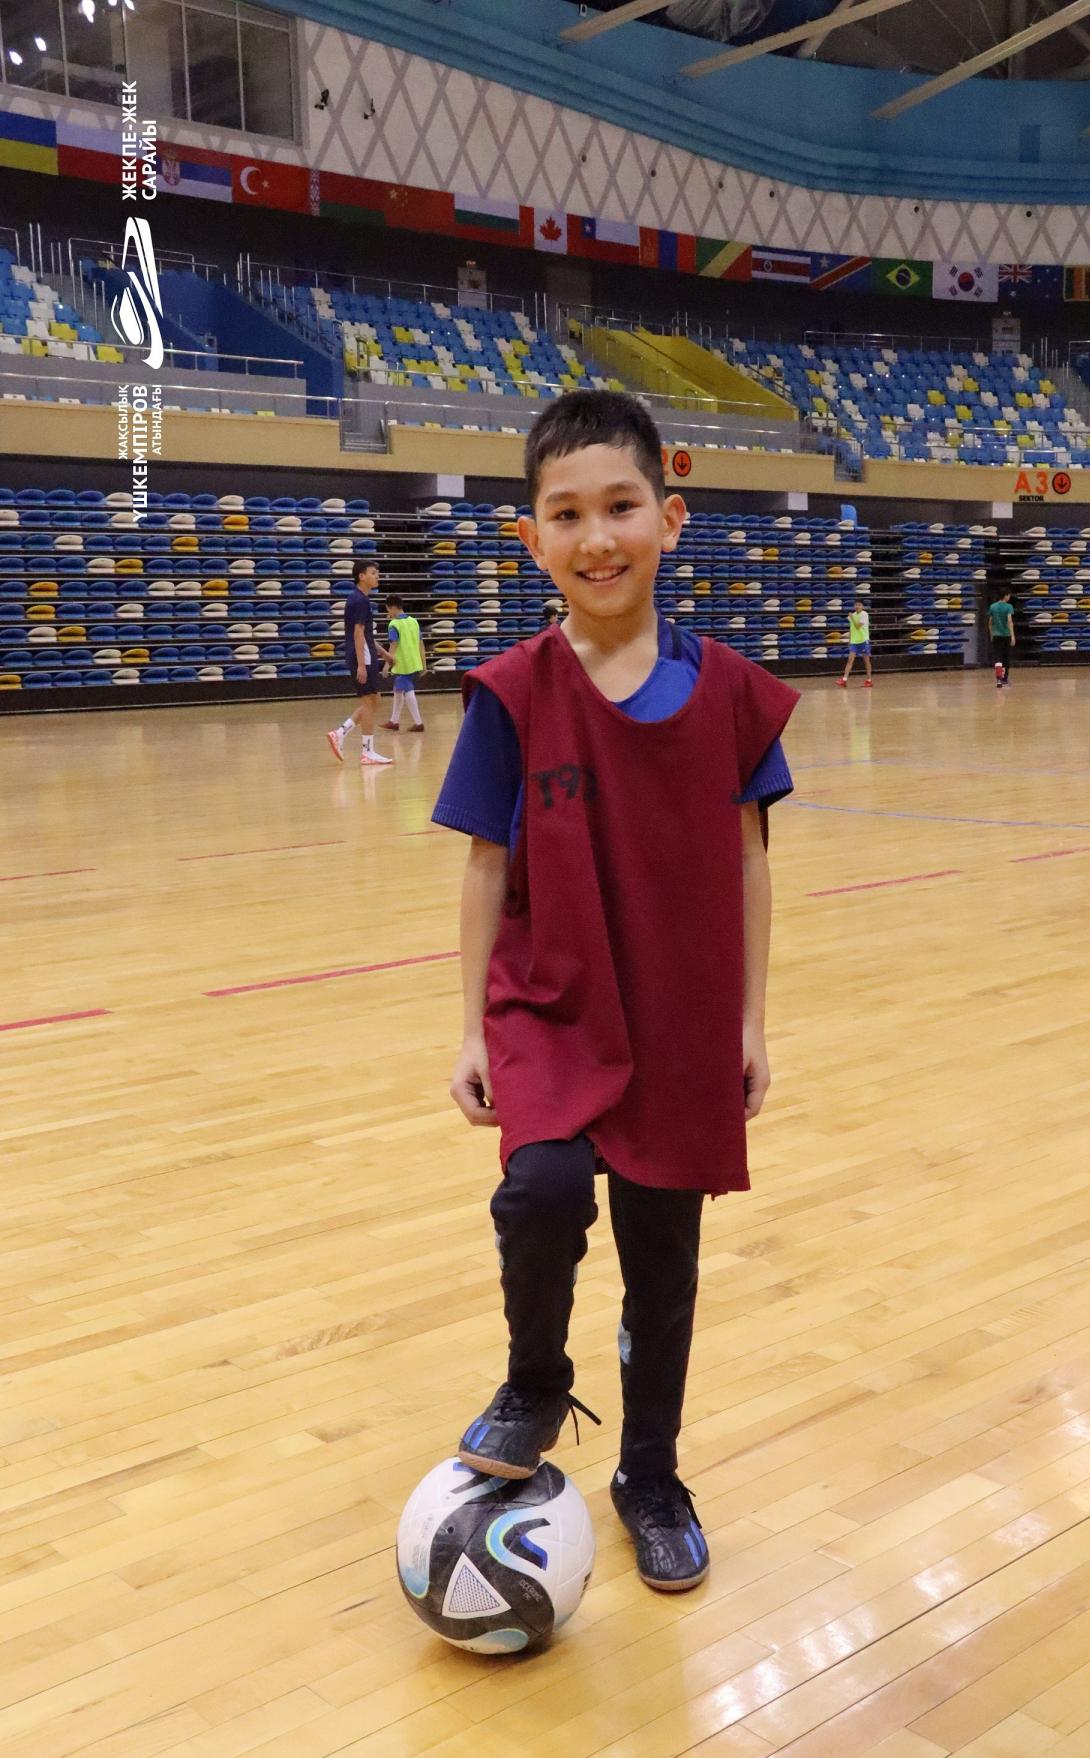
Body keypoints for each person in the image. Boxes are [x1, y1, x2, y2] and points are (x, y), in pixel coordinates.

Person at [431, 391, 798, 1593]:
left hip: (678, 1014)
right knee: (540, 1189)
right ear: (530, 537)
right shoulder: (511, 693)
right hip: (549, 1002)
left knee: (663, 1256)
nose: (597, 538)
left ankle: (650, 1474)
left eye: (621, 507)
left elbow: (749, 860)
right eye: (567, 514)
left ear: (669, 519)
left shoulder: (730, 693)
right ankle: (537, 1381)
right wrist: (472, 1028)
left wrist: (747, 1021)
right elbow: (485, 865)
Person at [327, 558, 391, 764]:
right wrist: (362, 665)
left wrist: (384, 653)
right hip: (362, 657)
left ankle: (340, 733)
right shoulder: (360, 600)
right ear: (361, 576)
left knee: (374, 699)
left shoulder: (357, 598)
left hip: (365, 653)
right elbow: (358, 634)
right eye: (373, 573)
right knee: (369, 702)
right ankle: (367, 751)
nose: (377, 576)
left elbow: (366, 636)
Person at [381, 596, 426, 733]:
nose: (388, 613)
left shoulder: (394, 624)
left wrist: (387, 665)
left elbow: (393, 645)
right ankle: (394, 721)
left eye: (388, 610)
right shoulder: (414, 621)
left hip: (403, 663)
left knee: (407, 689)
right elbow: (421, 643)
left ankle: (418, 723)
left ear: (393, 607)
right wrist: (424, 664)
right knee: (398, 689)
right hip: (414, 661)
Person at [837, 598, 872, 688]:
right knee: (850, 660)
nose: (857, 606)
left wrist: (852, 618)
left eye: (859, 605)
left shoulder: (864, 614)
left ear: (862, 606)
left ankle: (869, 680)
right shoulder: (852, 615)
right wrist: (850, 639)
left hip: (863, 641)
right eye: (856, 605)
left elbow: (857, 626)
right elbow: (852, 628)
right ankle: (844, 680)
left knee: (866, 661)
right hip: (854, 642)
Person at [988, 588, 1016, 688]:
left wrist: (991, 634)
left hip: (996, 635)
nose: (1009, 597)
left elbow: (990, 623)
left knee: (998, 658)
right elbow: (1009, 621)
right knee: (1006, 658)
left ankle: (998, 679)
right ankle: (1004, 679)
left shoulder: (992, 606)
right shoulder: (1009, 607)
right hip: (1006, 635)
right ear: (1005, 596)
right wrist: (1012, 636)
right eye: (1008, 595)